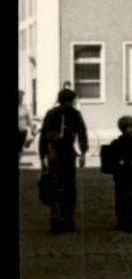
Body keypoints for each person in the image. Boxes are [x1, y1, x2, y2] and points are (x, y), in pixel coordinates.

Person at [39, 87, 91, 234]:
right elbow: (82, 134)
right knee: (69, 187)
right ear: (72, 100)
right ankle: (68, 220)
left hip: (54, 154)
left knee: (56, 187)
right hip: (68, 154)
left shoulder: (51, 113)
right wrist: (83, 153)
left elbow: (43, 135)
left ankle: (55, 220)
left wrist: (42, 156)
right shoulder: (75, 114)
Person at [101, 116, 132, 232]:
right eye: (131, 127)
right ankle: (130, 221)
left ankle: (122, 221)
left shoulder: (116, 142)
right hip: (130, 172)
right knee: (130, 196)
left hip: (120, 173)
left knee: (120, 196)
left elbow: (111, 155)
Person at [19, 90, 34, 156]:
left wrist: (32, 129)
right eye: (19, 97)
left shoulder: (25, 106)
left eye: (22, 97)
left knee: (20, 148)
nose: (21, 99)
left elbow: (29, 119)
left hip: (23, 131)